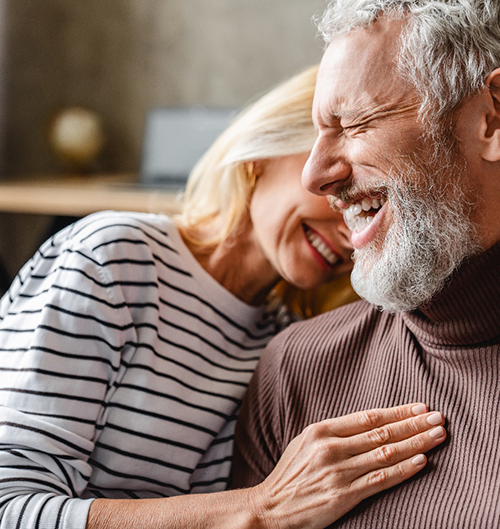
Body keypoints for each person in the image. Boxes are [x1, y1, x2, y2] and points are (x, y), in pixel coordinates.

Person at [0, 65, 446, 529]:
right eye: (337, 182)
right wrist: (260, 509)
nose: (350, 223)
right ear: (263, 154)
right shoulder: (114, 258)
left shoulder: (284, 339)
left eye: (372, 203)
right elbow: (9, 507)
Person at [232, 1, 500, 527]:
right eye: (316, 133)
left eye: (354, 123)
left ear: (492, 118)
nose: (315, 174)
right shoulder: (298, 370)